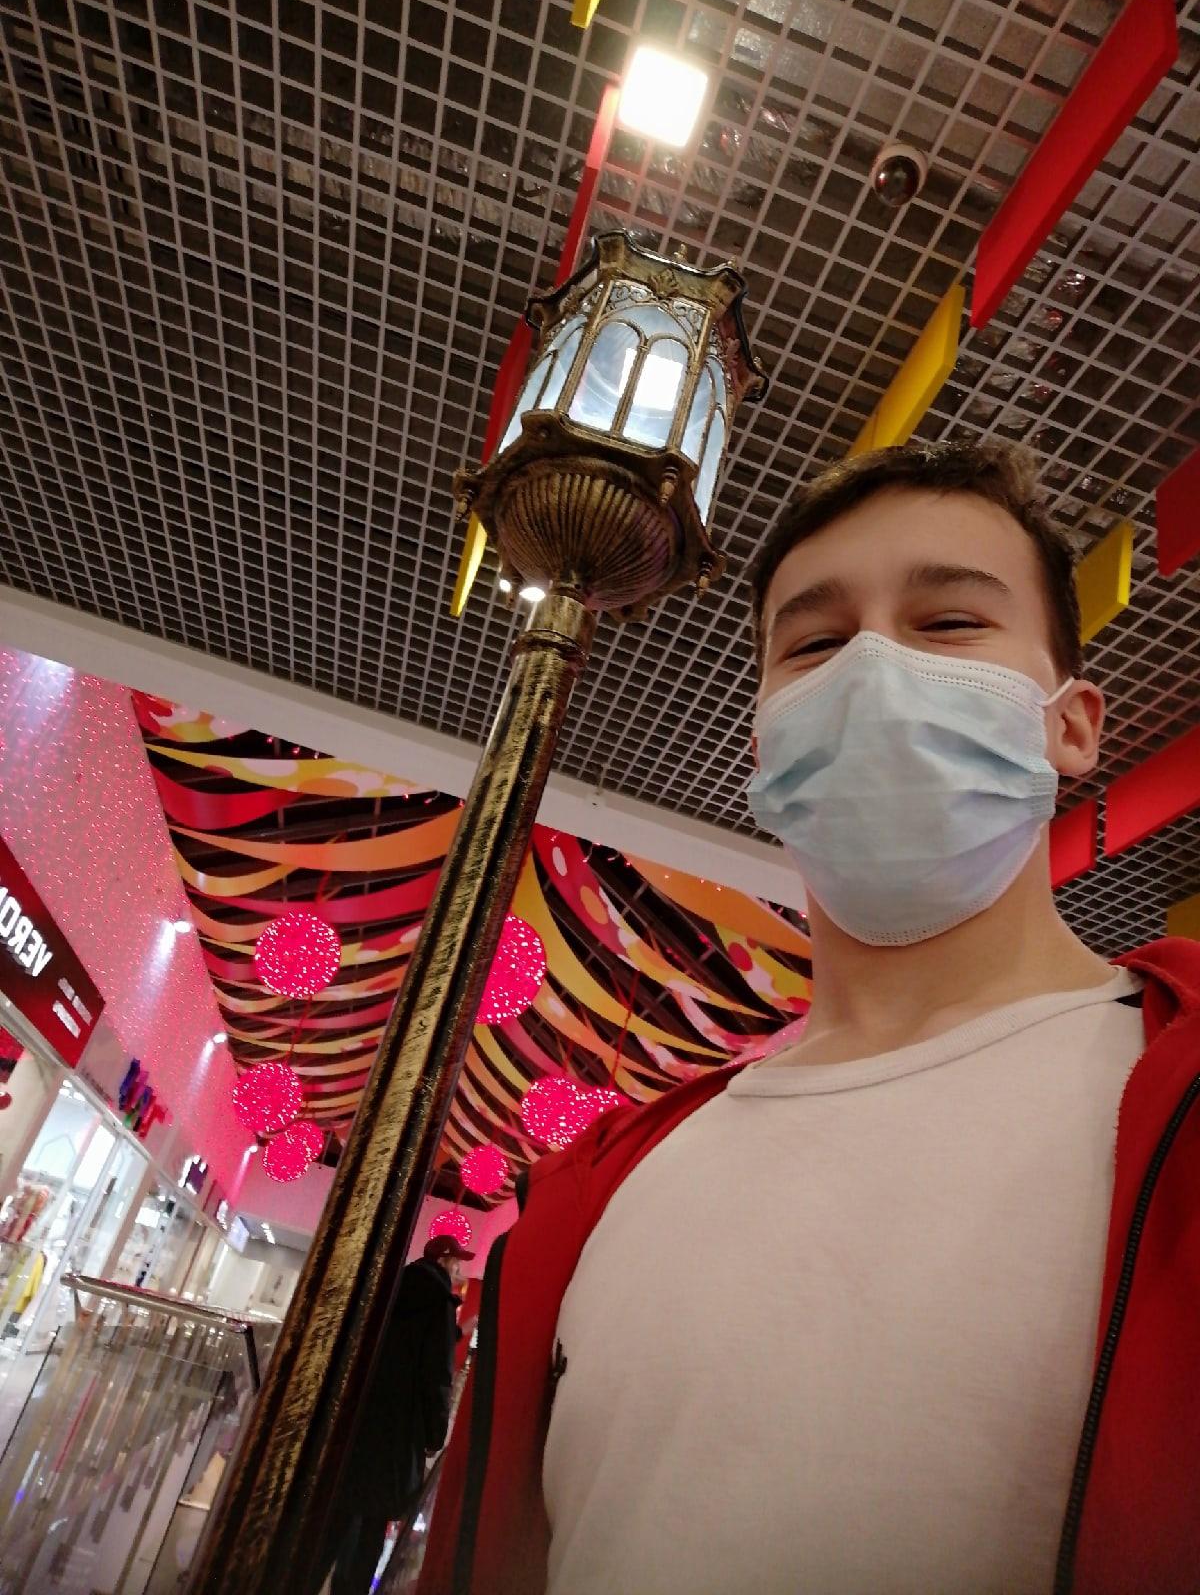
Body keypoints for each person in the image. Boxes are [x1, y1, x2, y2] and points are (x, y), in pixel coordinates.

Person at [419, 439, 1200, 1595]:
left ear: (1073, 726)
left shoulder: (1178, 1106)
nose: (874, 671)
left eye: (949, 624)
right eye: (818, 645)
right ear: (763, 744)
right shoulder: (596, 1197)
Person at [324, 1233, 472, 1594]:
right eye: (456, 1263)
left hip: (362, 1421)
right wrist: (435, 1433)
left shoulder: (393, 1288)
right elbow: (436, 1375)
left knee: (337, 1517)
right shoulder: (439, 1302)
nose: (459, 1270)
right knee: (373, 1524)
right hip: (399, 1433)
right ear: (444, 1261)